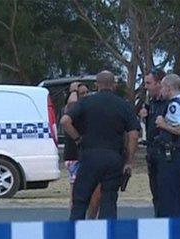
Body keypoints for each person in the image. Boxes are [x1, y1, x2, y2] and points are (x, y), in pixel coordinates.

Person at [60, 71, 140, 220]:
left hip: (90, 155)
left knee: (80, 199)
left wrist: (78, 139)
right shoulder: (124, 105)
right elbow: (134, 134)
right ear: (114, 86)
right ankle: (107, 236)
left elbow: (65, 121)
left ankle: (74, 235)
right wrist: (129, 160)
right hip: (113, 157)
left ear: (96, 85)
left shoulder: (85, 102)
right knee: (109, 199)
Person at [152, 73, 180, 218]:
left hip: (171, 156)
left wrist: (163, 125)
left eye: (163, 87)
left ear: (169, 88)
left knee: (169, 198)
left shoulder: (174, 105)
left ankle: (170, 231)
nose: (161, 91)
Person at [63, 82, 101, 219]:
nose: (85, 96)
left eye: (86, 93)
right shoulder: (70, 109)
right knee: (76, 194)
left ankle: (91, 221)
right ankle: (75, 222)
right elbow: (72, 103)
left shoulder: (89, 109)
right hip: (74, 156)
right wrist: (73, 90)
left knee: (96, 193)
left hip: (89, 155)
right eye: (81, 93)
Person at [138, 68, 168, 216]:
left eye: (149, 83)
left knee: (165, 193)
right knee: (155, 191)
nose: (146, 87)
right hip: (152, 152)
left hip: (164, 152)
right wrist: (145, 117)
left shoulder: (169, 103)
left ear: (159, 83)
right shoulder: (152, 103)